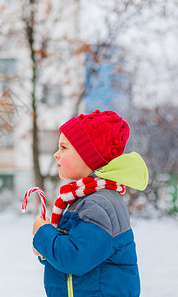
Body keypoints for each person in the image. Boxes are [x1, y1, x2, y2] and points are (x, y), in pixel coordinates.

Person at [32, 110, 148, 297]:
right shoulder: (85, 199)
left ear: (87, 156)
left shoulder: (98, 205)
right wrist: (45, 249)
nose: (56, 154)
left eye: (63, 147)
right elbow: (73, 252)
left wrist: (43, 233)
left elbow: (76, 258)